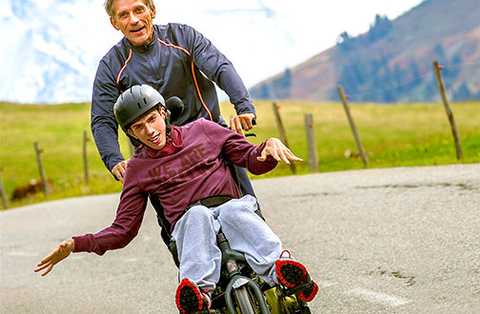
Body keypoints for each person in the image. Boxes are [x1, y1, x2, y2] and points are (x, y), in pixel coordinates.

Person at [35, 85, 318, 314]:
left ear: (163, 112)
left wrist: (266, 148)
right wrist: (76, 244)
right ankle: (197, 293)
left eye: (152, 119)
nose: (149, 130)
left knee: (233, 209)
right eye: (138, 127)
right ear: (130, 133)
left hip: (230, 209)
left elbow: (249, 158)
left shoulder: (204, 130)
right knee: (197, 216)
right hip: (191, 225)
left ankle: (283, 270)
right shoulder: (137, 168)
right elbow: (123, 230)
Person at [92, 0, 259, 258]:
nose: (133, 19)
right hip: (157, 157)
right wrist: (113, 158)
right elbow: (102, 118)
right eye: (124, 15)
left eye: (138, 10)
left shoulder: (183, 37)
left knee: (248, 212)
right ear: (114, 23)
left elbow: (219, 67)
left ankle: (277, 278)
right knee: (179, 236)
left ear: (152, 11)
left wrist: (243, 106)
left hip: (209, 140)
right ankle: (198, 291)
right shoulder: (111, 65)